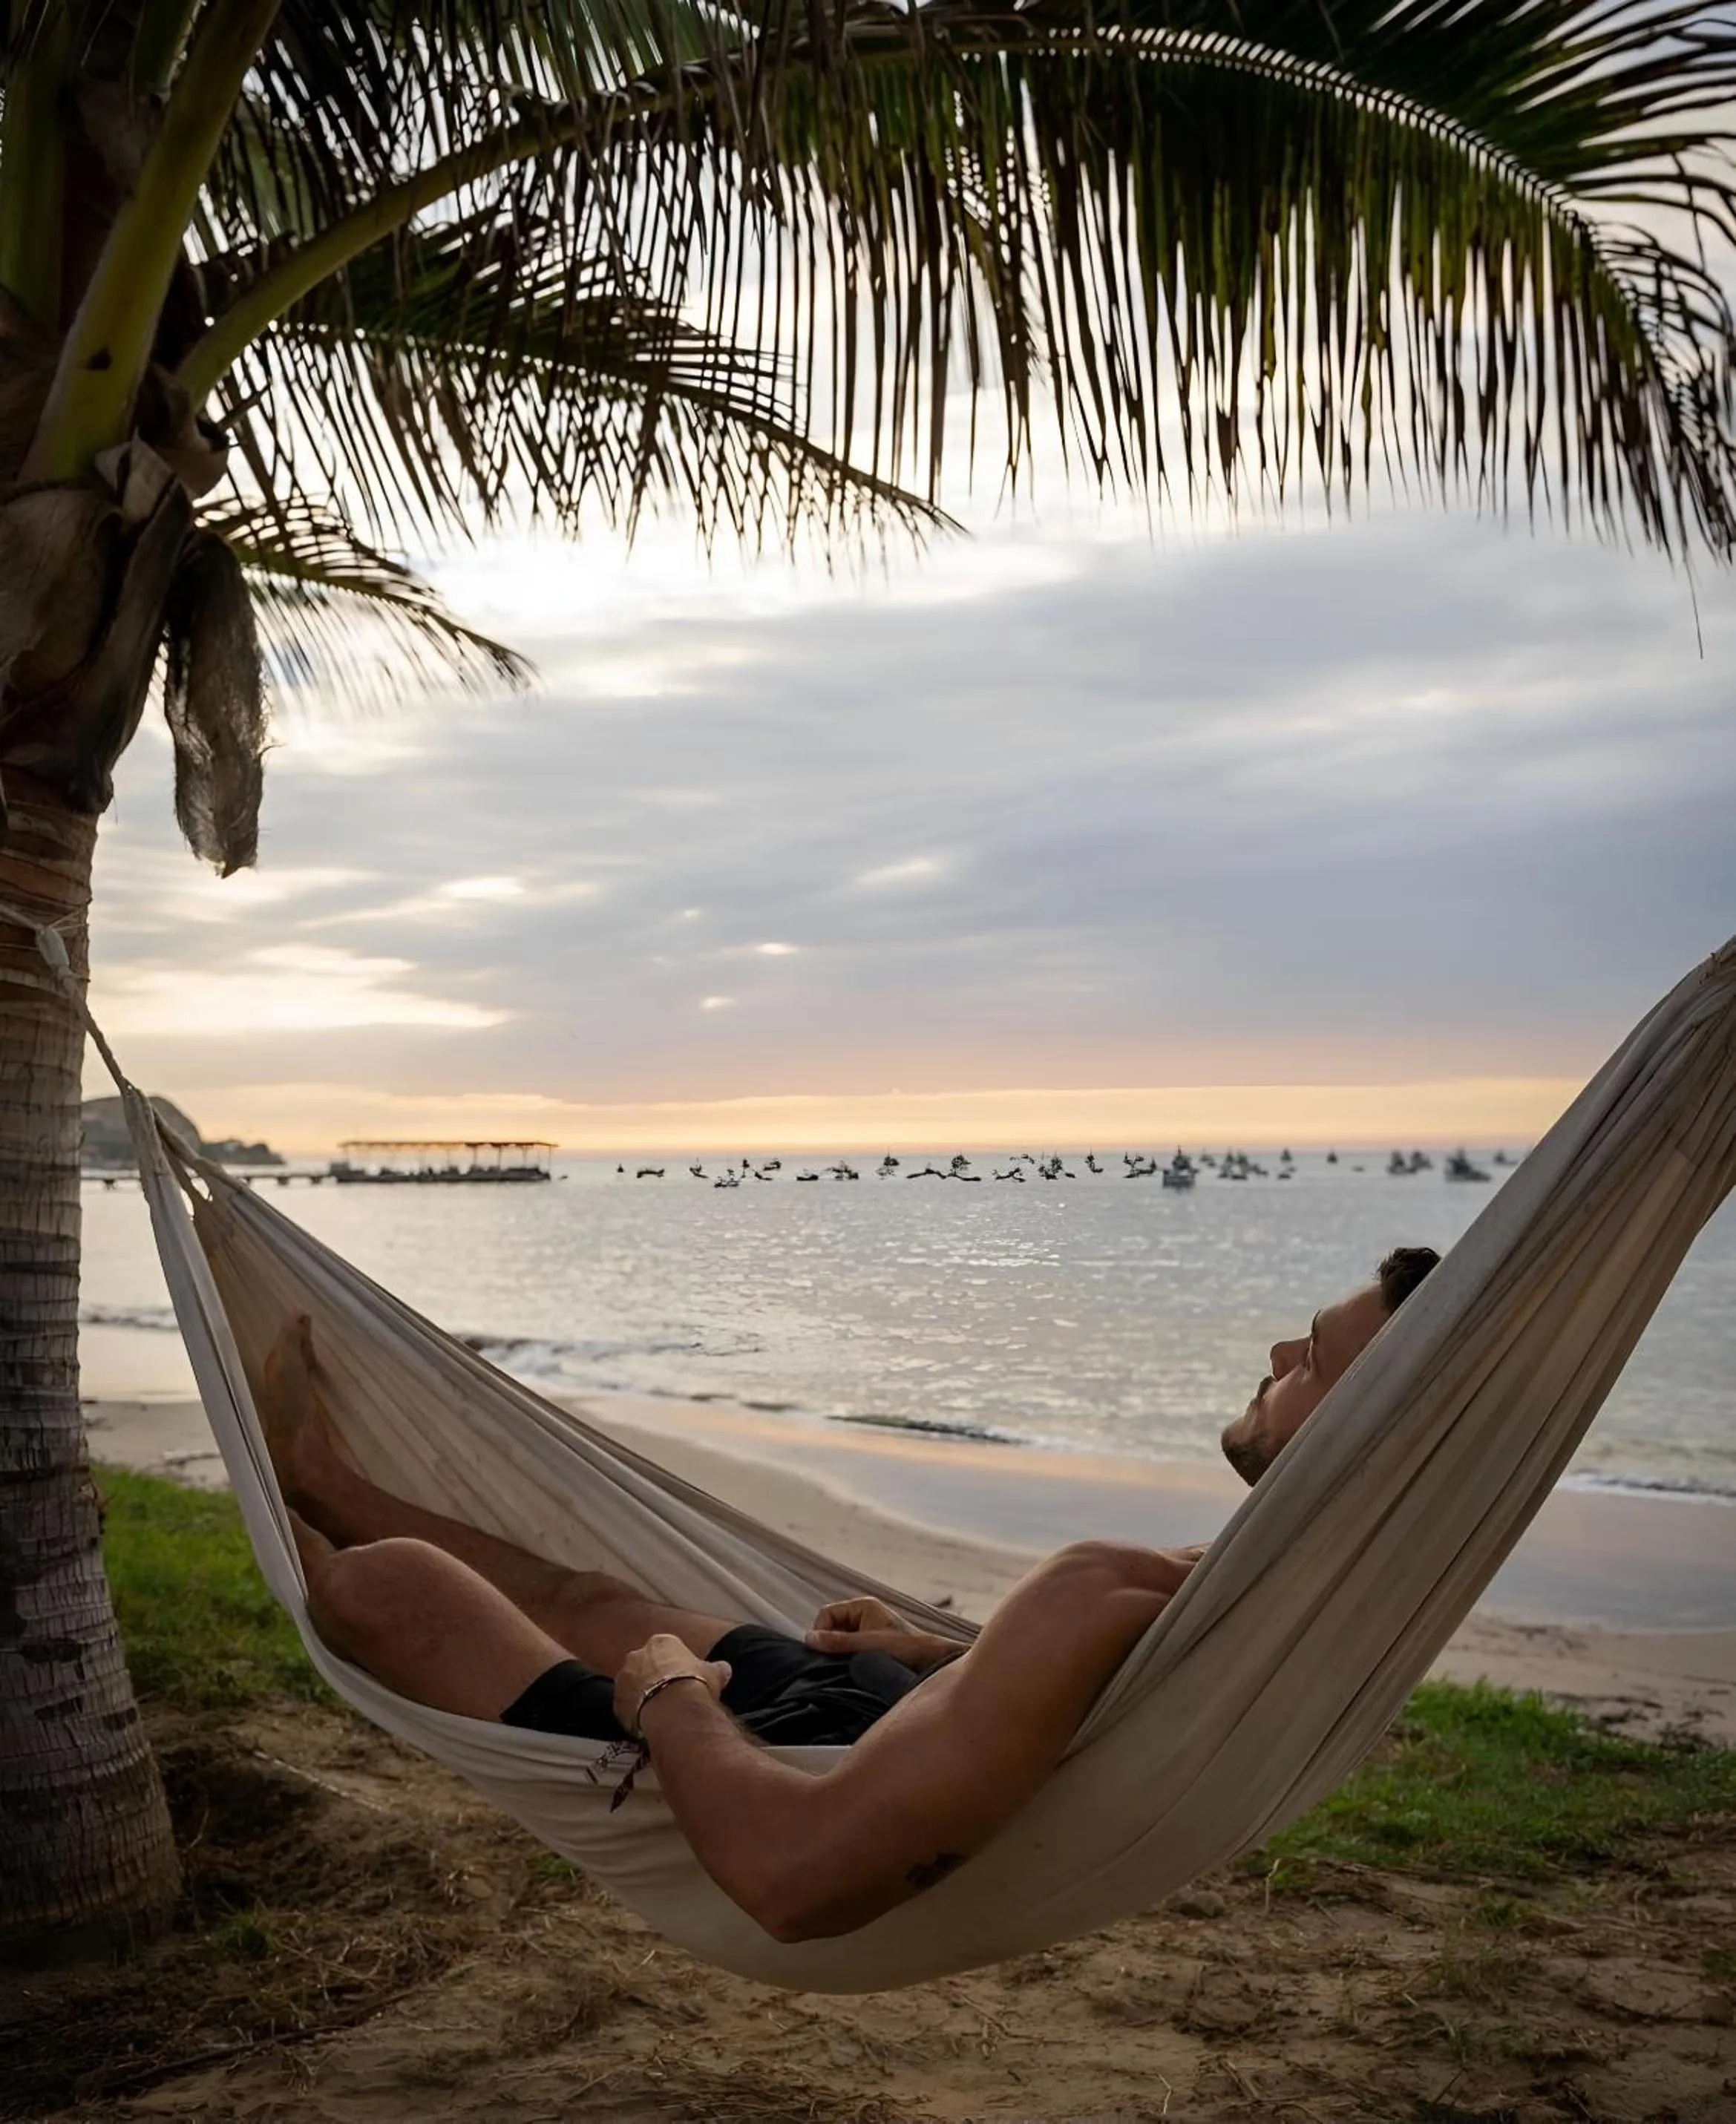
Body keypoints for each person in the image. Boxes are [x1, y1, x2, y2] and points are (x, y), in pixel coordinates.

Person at [265, 1245, 1438, 1945]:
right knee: (589, 1589)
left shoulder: (1106, 1585)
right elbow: (1107, 1688)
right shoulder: (1291, 1573)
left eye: (1315, 1359)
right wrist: (939, 1653)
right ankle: (321, 1479)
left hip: (801, 1766)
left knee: (383, 1590)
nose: (1281, 1347)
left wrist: (671, 1697)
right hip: (898, 1706)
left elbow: (795, 1880)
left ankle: (314, 1522)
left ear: (1366, 1423)